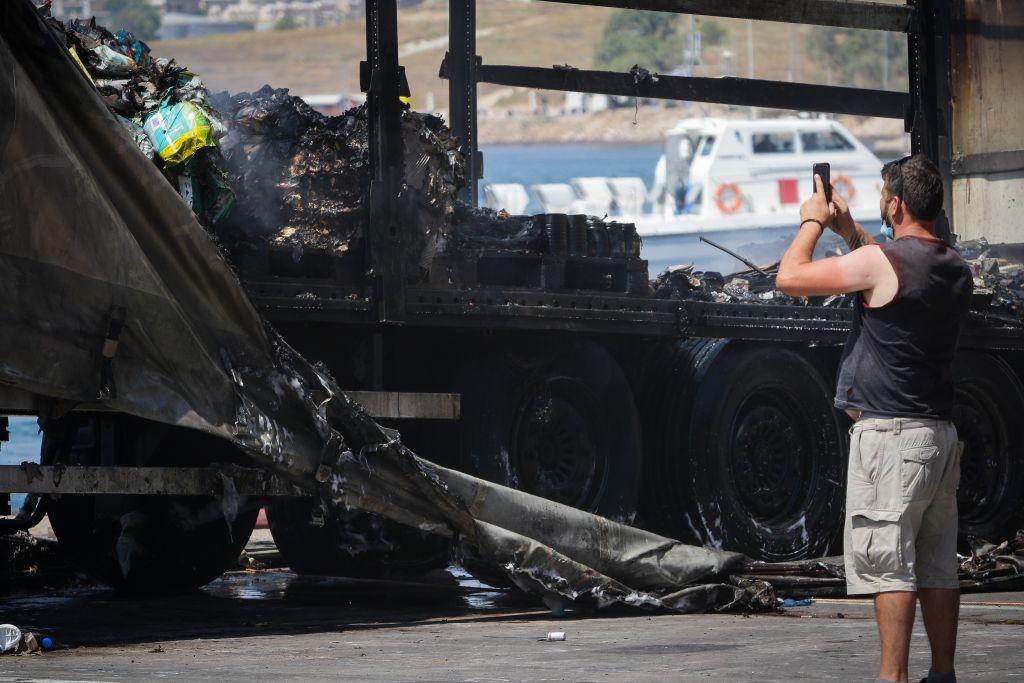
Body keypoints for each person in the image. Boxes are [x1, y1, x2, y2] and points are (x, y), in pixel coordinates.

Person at [776, 155, 973, 683]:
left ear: (896, 204)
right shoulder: (954, 267)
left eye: (885, 196)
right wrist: (850, 229)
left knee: (890, 565)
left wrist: (813, 221)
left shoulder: (884, 264)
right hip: (938, 435)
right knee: (936, 565)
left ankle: (893, 678)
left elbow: (789, 277)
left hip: (890, 438)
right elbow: (886, 264)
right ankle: (944, 674)